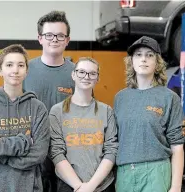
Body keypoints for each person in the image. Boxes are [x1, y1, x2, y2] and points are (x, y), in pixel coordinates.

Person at [0, 44, 50, 192]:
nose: (15, 70)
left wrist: (0, 152)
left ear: (26, 71)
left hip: (30, 188)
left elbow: (39, 154)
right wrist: (25, 141)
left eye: (20, 65)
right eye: (9, 65)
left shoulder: (38, 108)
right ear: (0, 70)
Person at [114, 36, 184, 192]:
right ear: (131, 61)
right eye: (138, 55)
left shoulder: (169, 98)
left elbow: (177, 146)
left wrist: (176, 187)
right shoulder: (120, 98)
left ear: (157, 62)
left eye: (149, 55)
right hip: (125, 174)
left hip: (157, 173)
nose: (143, 59)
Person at [23, 10, 75, 192]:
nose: (54, 39)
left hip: (68, 156)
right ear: (40, 38)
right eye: (49, 35)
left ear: (67, 40)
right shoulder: (24, 70)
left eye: (60, 35)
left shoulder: (78, 74)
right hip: (33, 155)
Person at [49, 57, 118, 192]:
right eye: (81, 72)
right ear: (73, 75)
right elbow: (56, 152)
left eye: (92, 73)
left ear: (97, 78)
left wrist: (91, 186)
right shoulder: (57, 111)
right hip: (69, 185)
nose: (86, 77)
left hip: (102, 186)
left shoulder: (107, 111)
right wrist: (78, 186)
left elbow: (111, 150)